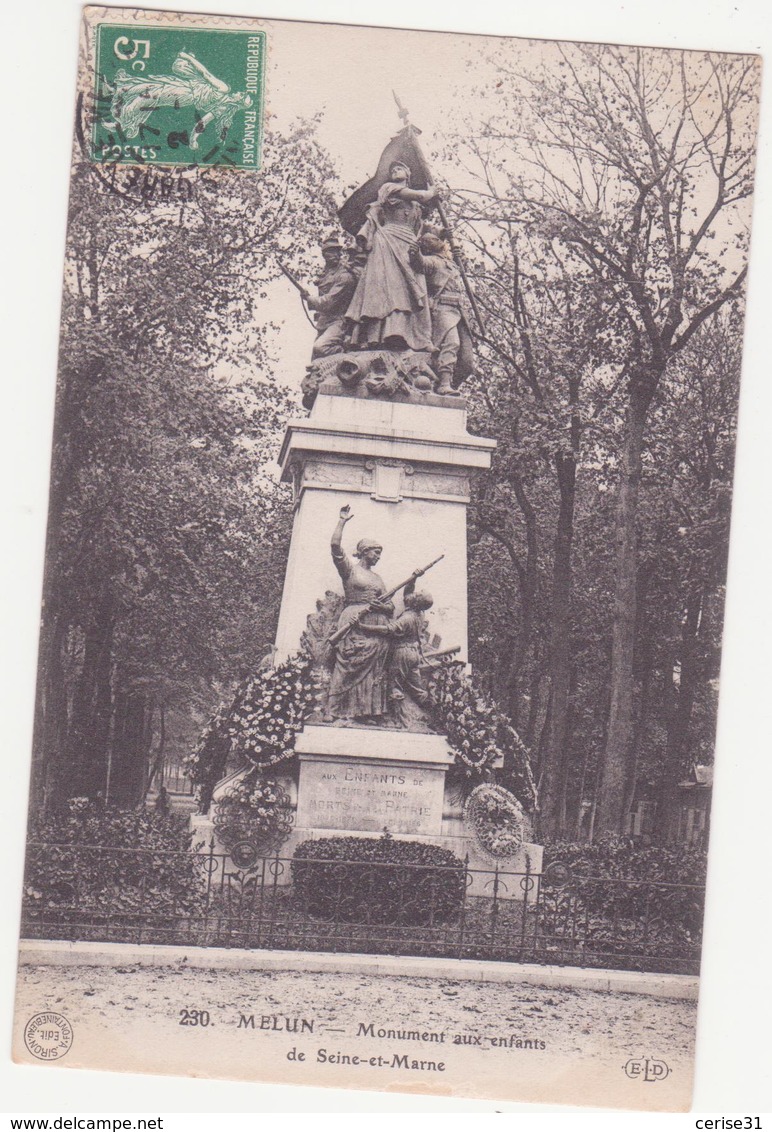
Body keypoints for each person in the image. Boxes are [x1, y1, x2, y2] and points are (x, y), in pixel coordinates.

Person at [344, 161, 438, 353]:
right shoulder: (389, 188)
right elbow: (423, 195)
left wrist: (445, 233)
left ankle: (414, 336)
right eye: (392, 169)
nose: (395, 170)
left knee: (413, 288)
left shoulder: (416, 207)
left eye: (399, 168)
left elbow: (425, 228)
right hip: (387, 241)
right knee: (386, 287)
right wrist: (431, 193)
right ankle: (377, 336)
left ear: (408, 173)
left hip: (410, 245)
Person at [325, 505, 394, 724]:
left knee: (373, 671)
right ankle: (332, 709)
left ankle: (364, 712)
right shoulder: (350, 570)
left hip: (374, 625)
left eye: (380, 553)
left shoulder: (378, 579)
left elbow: (390, 606)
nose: (378, 557)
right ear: (365, 551)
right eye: (376, 552)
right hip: (353, 621)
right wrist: (342, 521)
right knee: (346, 664)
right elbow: (335, 546)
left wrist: (379, 606)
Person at [103, 50, 252, 150]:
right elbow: (202, 123)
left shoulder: (225, 89)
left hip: (184, 93)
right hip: (185, 89)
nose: (241, 92)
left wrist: (188, 58)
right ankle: (116, 89)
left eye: (243, 95)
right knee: (151, 85)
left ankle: (121, 123)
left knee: (149, 96)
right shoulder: (222, 107)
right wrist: (193, 140)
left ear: (239, 101)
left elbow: (206, 74)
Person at [361, 578, 434, 728]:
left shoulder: (407, 618)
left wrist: (364, 627)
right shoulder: (419, 613)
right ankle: (436, 711)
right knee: (418, 689)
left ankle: (397, 721)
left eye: (419, 594)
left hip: (402, 653)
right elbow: (408, 593)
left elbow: (388, 629)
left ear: (416, 602)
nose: (416, 593)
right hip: (414, 654)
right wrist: (413, 578)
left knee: (395, 685)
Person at [414, 228, 475, 395]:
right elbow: (419, 263)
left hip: (460, 312)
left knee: (467, 362)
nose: (440, 242)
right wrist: (414, 251)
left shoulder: (452, 264)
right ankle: (444, 383)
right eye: (434, 240)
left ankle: (447, 385)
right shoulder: (432, 261)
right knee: (452, 343)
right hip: (443, 310)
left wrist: (458, 257)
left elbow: (461, 271)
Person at [302, 236, 359, 359]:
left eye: (337, 252)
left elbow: (329, 301)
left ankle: (347, 352)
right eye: (331, 252)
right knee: (315, 361)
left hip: (339, 322)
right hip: (324, 322)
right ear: (324, 254)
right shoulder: (326, 274)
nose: (336, 255)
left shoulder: (345, 276)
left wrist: (309, 298)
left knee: (320, 347)